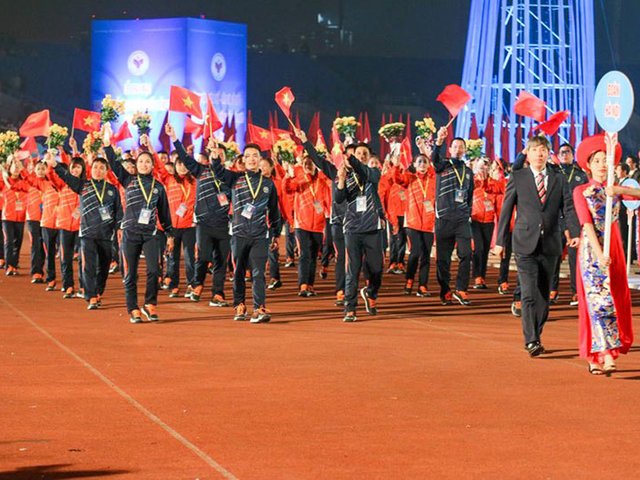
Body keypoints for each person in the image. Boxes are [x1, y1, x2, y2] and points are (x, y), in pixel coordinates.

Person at [495, 135, 580, 357]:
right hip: (524, 242)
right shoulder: (518, 177)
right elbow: (506, 210)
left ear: (548, 153)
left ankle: (536, 333)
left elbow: (568, 207)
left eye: (543, 150)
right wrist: (500, 241)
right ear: (528, 154)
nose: (539, 154)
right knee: (529, 292)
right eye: (535, 150)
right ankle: (531, 340)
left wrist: (574, 232)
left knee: (543, 295)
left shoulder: (559, 178)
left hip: (550, 243)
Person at [573, 135, 633, 374]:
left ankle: (604, 353)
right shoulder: (581, 191)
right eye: (597, 160)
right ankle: (602, 354)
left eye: (605, 160)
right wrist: (599, 254)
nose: (601, 165)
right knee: (597, 301)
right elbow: (586, 224)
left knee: (615, 298)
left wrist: (618, 189)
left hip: (614, 247)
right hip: (592, 250)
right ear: (588, 165)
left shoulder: (614, 191)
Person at [103, 124, 174, 323]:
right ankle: (133, 308)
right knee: (130, 273)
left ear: (152, 165)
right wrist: (107, 145)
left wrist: (170, 234)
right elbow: (114, 164)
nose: (144, 164)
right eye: (140, 161)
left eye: (147, 161)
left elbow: (165, 213)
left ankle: (149, 304)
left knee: (154, 270)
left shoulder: (158, 187)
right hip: (130, 233)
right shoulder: (128, 180)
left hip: (151, 234)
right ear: (136, 164)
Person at [209, 142, 281, 323]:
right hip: (239, 233)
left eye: (255, 155)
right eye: (248, 156)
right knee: (239, 272)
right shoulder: (235, 179)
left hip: (260, 235)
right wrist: (215, 156)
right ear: (243, 160)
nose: (251, 159)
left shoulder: (268, 184)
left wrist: (275, 233)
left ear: (260, 159)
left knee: (258, 273)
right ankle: (239, 304)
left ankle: (259, 307)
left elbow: (274, 211)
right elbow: (218, 172)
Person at [44, 151, 123, 309]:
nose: (98, 170)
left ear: (106, 171)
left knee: (104, 267)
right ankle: (91, 296)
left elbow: (118, 211)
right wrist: (54, 164)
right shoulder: (83, 185)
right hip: (87, 234)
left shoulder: (112, 190)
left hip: (106, 235)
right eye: (95, 167)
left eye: (101, 168)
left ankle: (98, 291)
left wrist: (119, 227)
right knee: (88, 266)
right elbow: (66, 176)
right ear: (90, 169)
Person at [165, 125, 232, 307]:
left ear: (225, 158)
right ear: (210, 156)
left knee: (221, 261)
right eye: (215, 153)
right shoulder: (201, 171)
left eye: (221, 154)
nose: (218, 156)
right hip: (203, 224)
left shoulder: (231, 177)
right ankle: (197, 284)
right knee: (203, 257)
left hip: (224, 225)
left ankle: (217, 293)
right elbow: (185, 157)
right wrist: (174, 138)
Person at [334, 143, 385, 322]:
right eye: (358, 153)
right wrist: (341, 179)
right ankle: (350, 308)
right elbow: (339, 199)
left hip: (372, 228)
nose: (362, 155)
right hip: (352, 229)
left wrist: (350, 158)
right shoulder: (346, 175)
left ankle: (370, 293)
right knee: (352, 270)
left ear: (369, 156)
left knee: (377, 268)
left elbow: (363, 172)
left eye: (365, 153)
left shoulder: (374, 173)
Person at [430, 127, 474, 306]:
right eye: (455, 146)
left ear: (465, 150)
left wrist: (467, 212)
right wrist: (439, 141)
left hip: (462, 219)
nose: (458, 149)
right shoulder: (443, 165)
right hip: (444, 219)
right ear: (450, 149)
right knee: (443, 259)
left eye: (461, 147)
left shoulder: (468, 172)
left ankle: (461, 289)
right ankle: (445, 289)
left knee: (466, 254)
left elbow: (470, 195)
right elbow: (434, 158)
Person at [391, 147, 436, 297]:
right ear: (414, 165)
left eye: (425, 162)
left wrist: (427, 151)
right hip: (412, 222)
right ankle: (409, 280)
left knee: (426, 256)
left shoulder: (433, 180)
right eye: (419, 162)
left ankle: (422, 285)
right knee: (415, 252)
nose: (422, 164)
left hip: (429, 224)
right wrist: (396, 166)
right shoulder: (409, 178)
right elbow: (397, 179)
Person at [283, 155, 330, 297]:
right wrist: (288, 176)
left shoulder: (322, 181)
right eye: (305, 163)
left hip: (318, 224)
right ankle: (303, 285)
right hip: (301, 223)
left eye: (311, 163)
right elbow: (287, 189)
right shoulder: (300, 179)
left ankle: (310, 285)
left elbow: (328, 199)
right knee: (305, 254)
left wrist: (328, 215)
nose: (308, 166)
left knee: (314, 255)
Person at [549, 143, 588, 306]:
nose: (565, 154)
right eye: (562, 152)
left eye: (568, 152)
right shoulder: (553, 172)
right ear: (558, 155)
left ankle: (576, 291)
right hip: (556, 219)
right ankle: (552, 289)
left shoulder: (580, 175)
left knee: (574, 258)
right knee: (554, 257)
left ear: (573, 155)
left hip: (574, 219)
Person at [470, 157, 505, 289]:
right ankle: (477, 276)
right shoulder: (472, 182)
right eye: (480, 167)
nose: (483, 169)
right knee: (478, 248)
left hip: (489, 221)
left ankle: (481, 276)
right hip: (475, 219)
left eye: (486, 167)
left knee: (484, 250)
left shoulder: (494, 183)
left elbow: (498, 198)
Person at [1, 156, 28, 276]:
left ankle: (14, 264)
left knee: (18, 242)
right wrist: (3, 171)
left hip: (21, 217)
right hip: (7, 216)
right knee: (9, 242)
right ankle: (9, 266)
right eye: (14, 166)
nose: (16, 169)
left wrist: (22, 169)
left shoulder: (24, 182)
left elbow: (30, 180)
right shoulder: (4, 181)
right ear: (9, 168)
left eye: (18, 167)